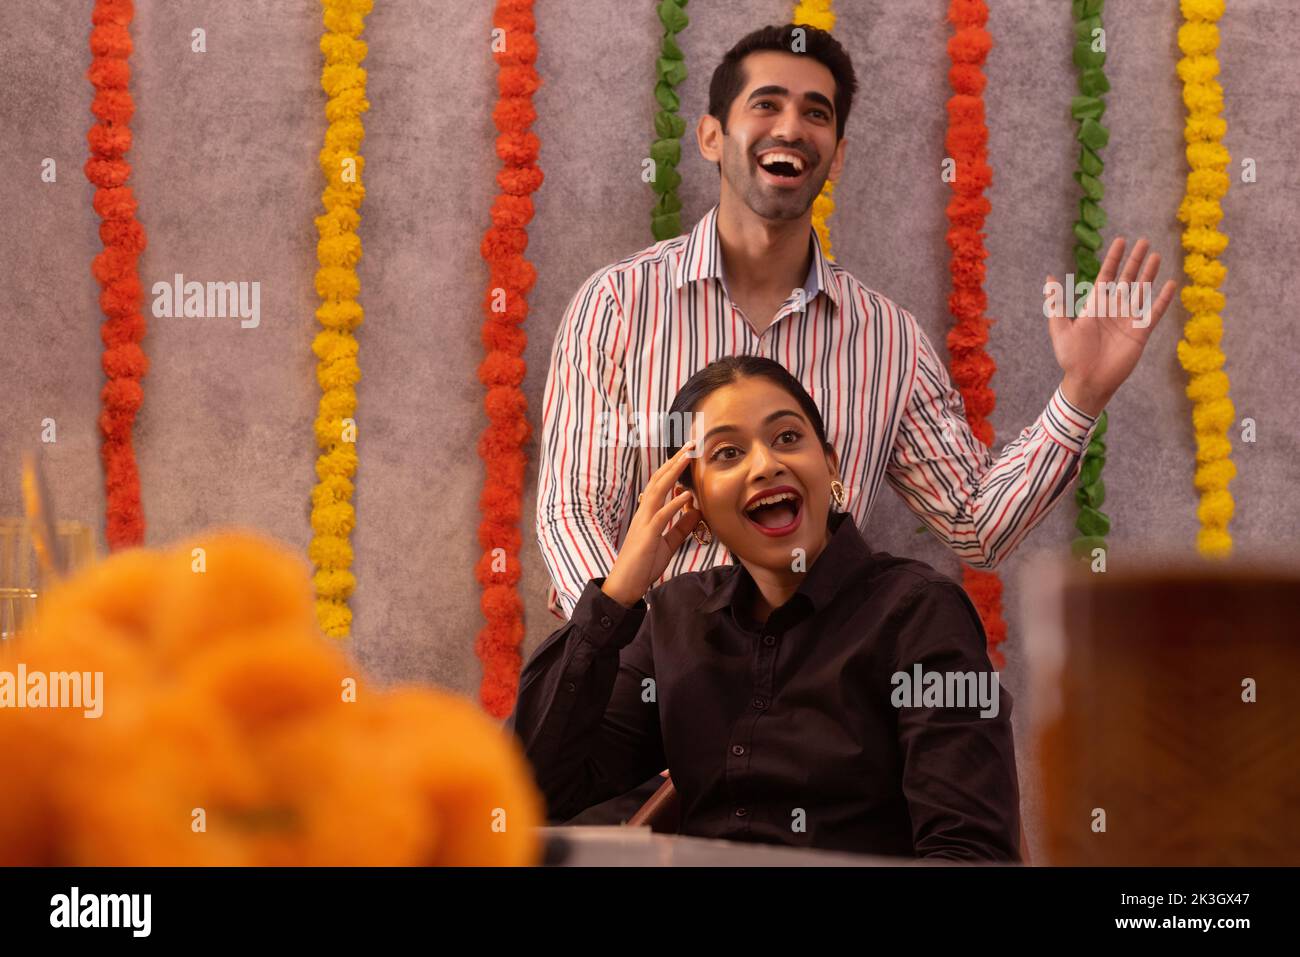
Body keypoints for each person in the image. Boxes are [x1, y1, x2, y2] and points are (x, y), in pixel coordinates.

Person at [536, 22, 1175, 621]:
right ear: (711, 136)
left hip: (809, 701)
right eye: (766, 104)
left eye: (816, 113)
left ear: (835, 156)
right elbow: (573, 512)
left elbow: (974, 524)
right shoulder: (618, 304)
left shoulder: (886, 339)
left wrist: (1081, 394)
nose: (791, 127)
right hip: (645, 696)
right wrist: (647, 655)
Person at [510, 356, 1020, 860]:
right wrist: (618, 594)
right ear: (694, 504)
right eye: (728, 453)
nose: (766, 464)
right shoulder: (677, 616)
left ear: (832, 466)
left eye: (788, 438)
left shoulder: (918, 613)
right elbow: (534, 789)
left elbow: (969, 852)